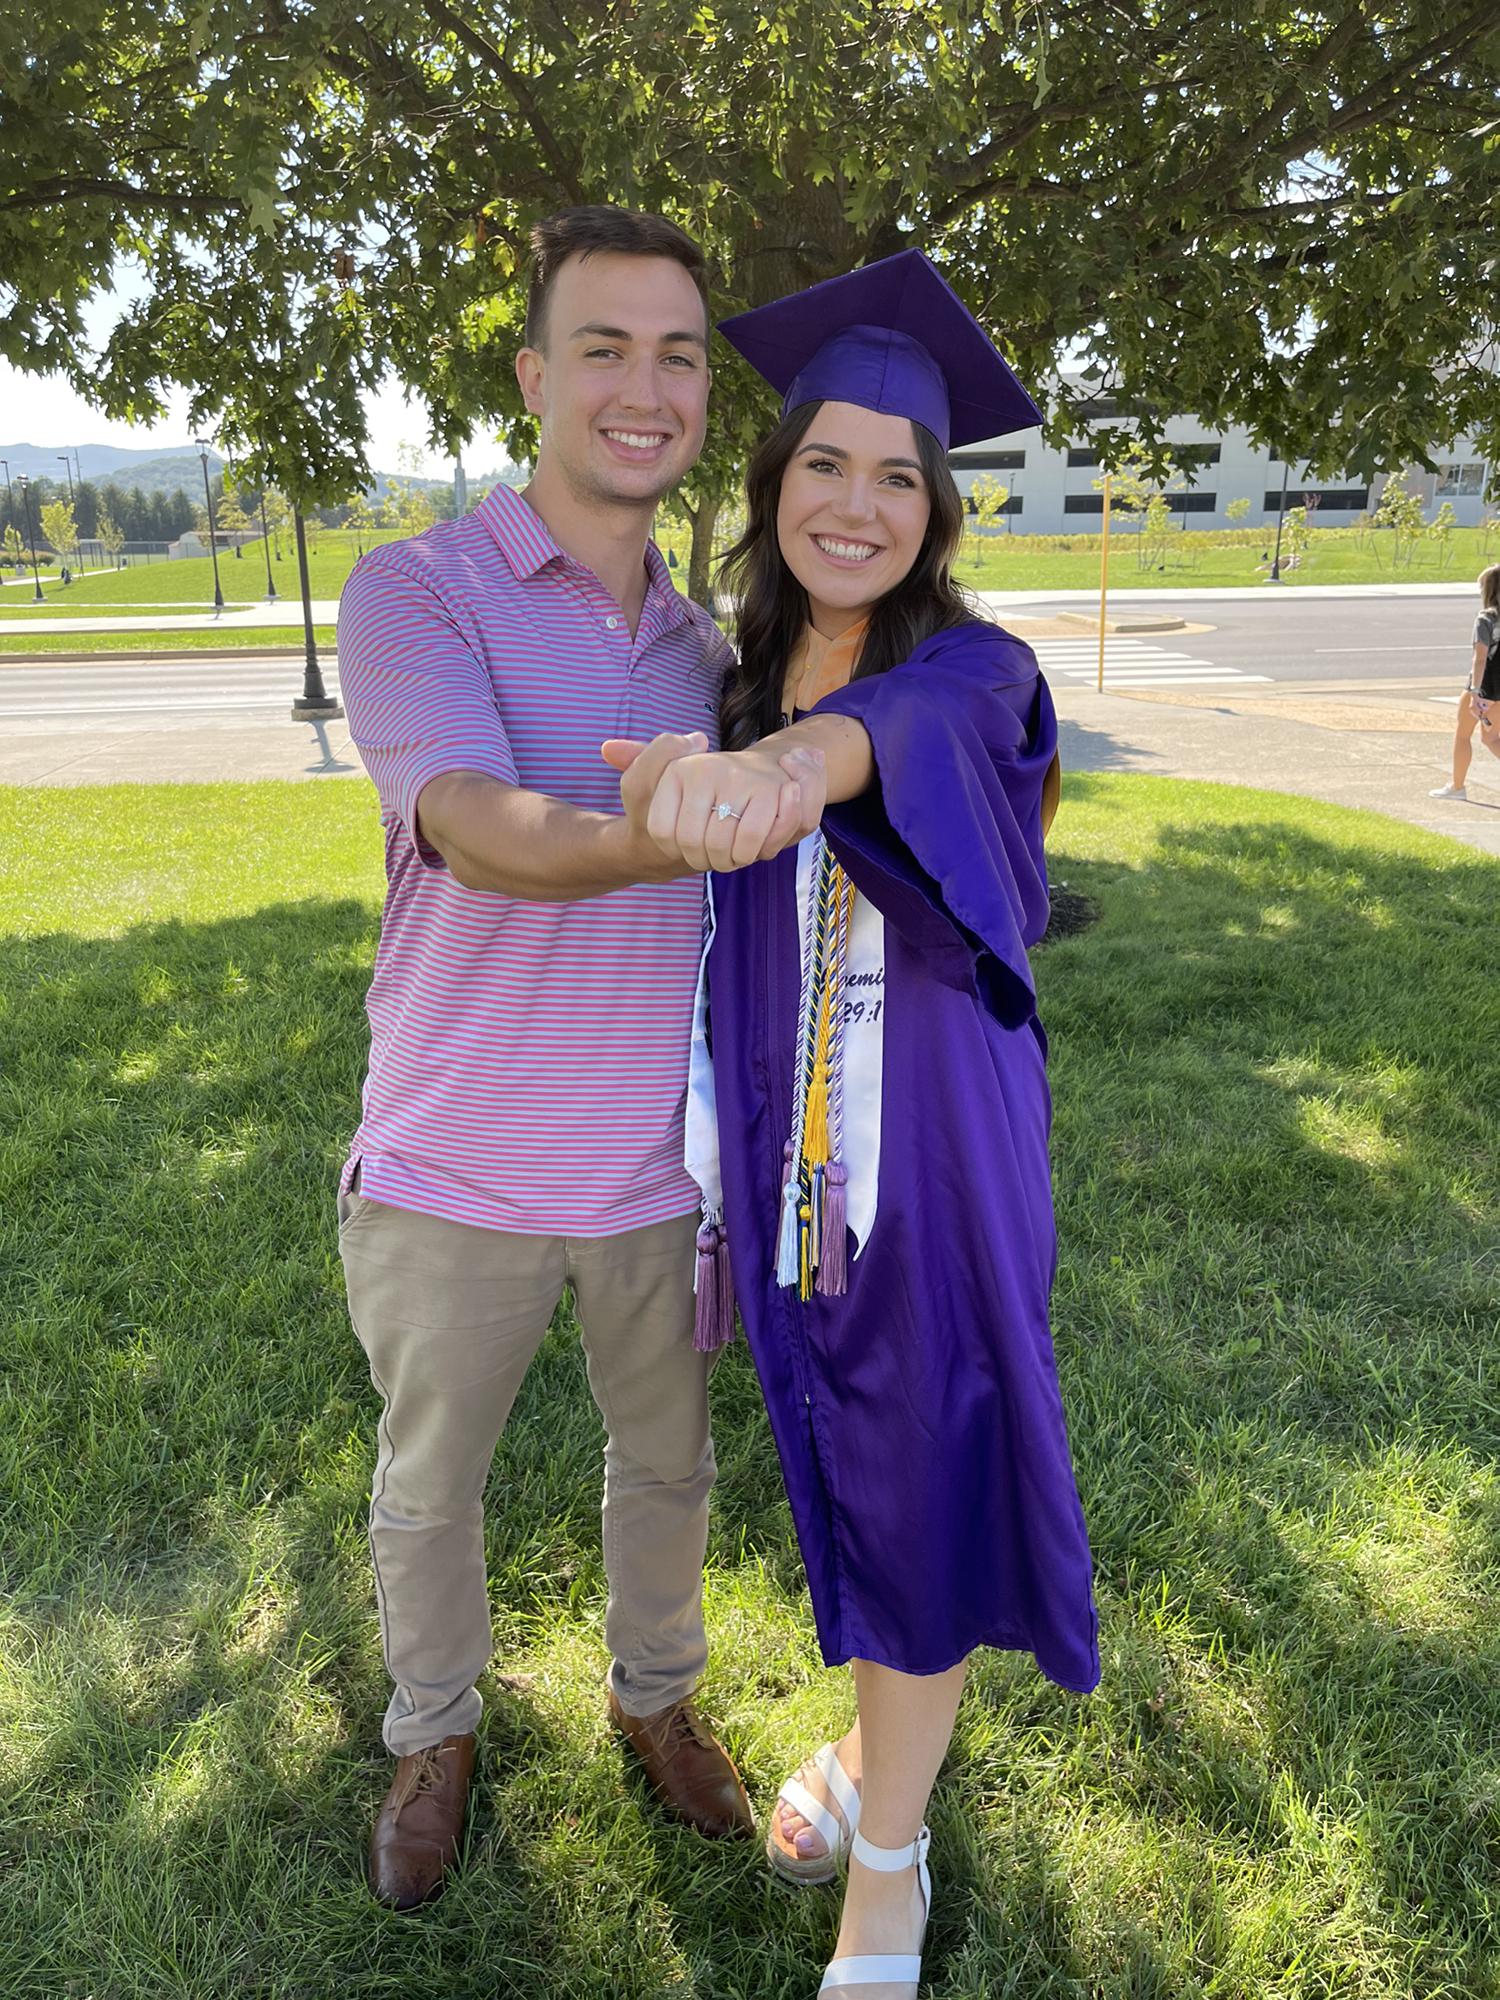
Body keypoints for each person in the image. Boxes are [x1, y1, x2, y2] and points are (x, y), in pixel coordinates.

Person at [606, 250, 1099, 1998]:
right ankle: (884, 1759)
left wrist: (785, 772)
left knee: (924, 1466)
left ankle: (886, 1867)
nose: (861, 501)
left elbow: (882, 738)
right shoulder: (724, 671)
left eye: (903, 475)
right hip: (789, 1149)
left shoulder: (976, 673)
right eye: (830, 461)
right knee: (850, 1459)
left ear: (936, 512)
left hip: (932, 1158)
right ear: (776, 478)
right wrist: (693, 769)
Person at [334, 204, 826, 1910]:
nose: (646, 384)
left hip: (646, 1172)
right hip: (449, 1162)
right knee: (431, 1486)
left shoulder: (710, 654)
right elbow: (475, 827)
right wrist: (677, 822)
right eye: (603, 347)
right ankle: (434, 1731)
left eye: (679, 354)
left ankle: (657, 1702)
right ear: (536, 377)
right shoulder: (414, 591)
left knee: (670, 1463)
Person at [1430, 562, 1500, 801]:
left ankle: (1457, 786)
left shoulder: (1486, 619)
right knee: (1491, 738)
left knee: (1463, 735)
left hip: (1485, 687)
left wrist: (1475, 692)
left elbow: (1479, 658)